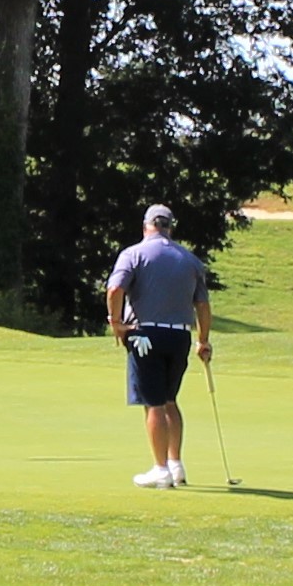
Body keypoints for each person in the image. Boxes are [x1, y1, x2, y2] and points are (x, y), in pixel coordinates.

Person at [106, 204, 211, 488]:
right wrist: (203, 340)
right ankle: (176, 465)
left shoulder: (133, 254)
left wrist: (115, 321)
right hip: (179, 336)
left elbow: (115, 289)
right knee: (169, 400)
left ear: (145, 226)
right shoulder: (190, 260)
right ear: (170, 227)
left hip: (145, 335)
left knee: (153, 404)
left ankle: (160, 469)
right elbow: (202, 304)